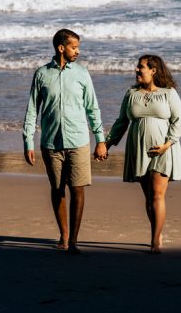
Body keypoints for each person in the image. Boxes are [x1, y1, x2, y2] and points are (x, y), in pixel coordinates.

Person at [23, 28, 108, 254]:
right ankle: (64, 235)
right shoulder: (42, 74)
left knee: (78, 190)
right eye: (74, 47)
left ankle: (74, 241)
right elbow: (32, 110)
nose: (77, 51)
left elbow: (92, 108)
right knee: (57, 189)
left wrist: (101, 140)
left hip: (79, 141)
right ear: (61, 48)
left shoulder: (82, 73)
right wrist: (28, 142)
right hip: (51, 142)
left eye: (78, 47)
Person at [105, 54, 181, 253]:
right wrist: (106, 144)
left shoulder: (169, 94)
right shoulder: (131, 94)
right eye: (137, 66)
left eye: (141, 67)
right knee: (149, 197)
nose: (136, 70)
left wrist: (167, 144)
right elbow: (121, 121)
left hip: (163, 149)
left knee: (158, 195)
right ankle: (157, 233)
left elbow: (179, 120)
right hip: (138, 149)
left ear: (153, 70)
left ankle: (155, 241)